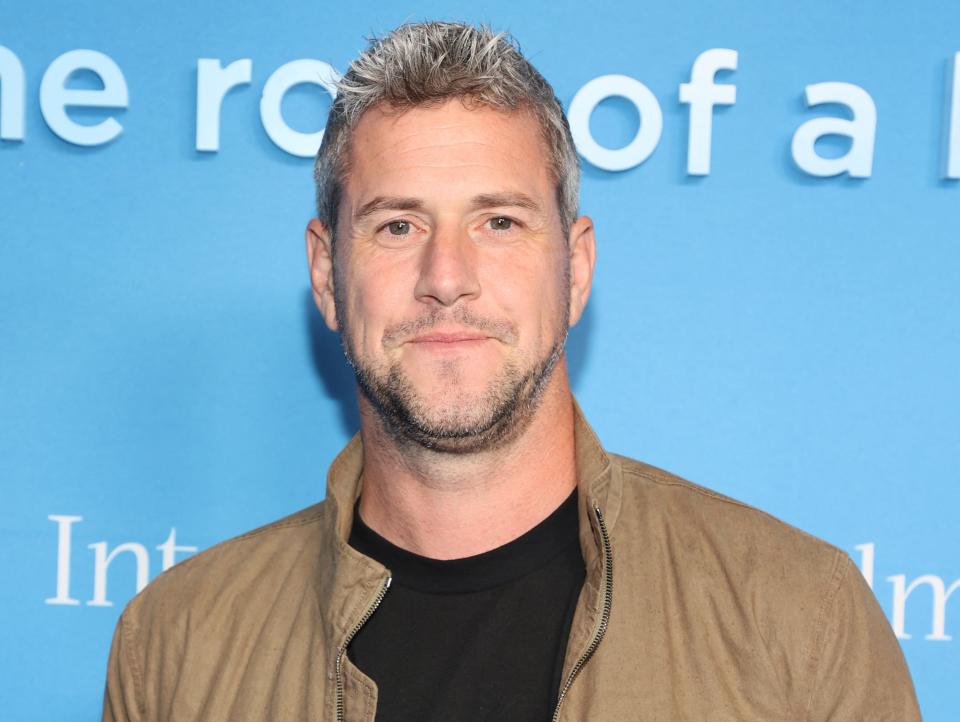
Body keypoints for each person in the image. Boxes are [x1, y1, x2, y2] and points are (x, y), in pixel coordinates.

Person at [103, 21, 921, 722]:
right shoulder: (177, 646)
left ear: (577, 269)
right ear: (326, 275)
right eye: (396, 226)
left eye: (498, 221)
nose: (447, 275)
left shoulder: (798, 621)